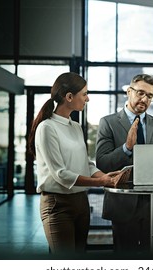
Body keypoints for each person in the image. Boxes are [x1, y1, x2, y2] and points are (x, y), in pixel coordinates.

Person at [27, 72, 127, 255]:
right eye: (84, 94)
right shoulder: (47, 128)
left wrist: (104, 176)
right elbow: (60, 174)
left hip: (81, 201)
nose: (87, 99)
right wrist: (100, 182)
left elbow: (86, 164)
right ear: (69, 97)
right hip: (57, 204)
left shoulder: (75, 126)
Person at [95, 73, 153, 254]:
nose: (144, 99)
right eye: (140, 93)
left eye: (150, 96)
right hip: (123, 204)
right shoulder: (108, 123)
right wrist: (127, 148)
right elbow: (102, 163)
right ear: (129, 92)